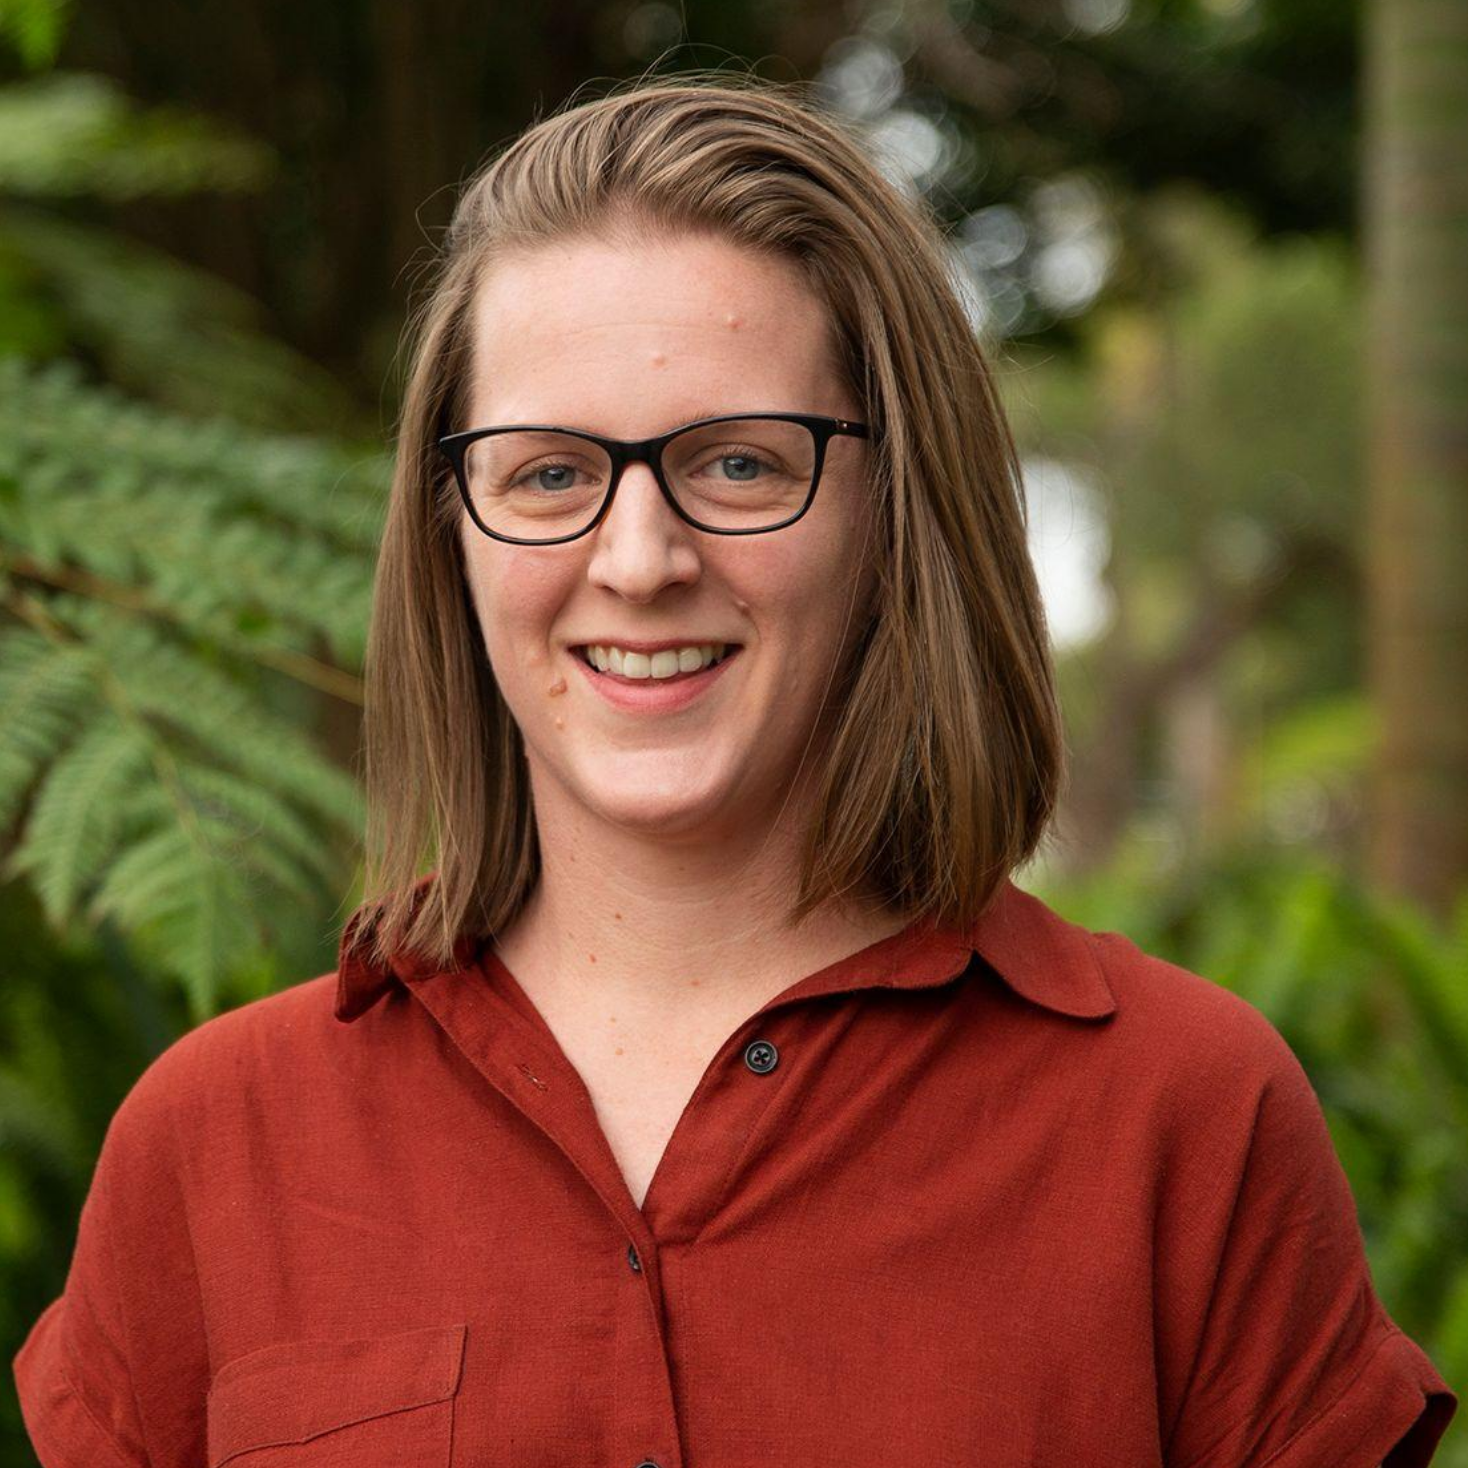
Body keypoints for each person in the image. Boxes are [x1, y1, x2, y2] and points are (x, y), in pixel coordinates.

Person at [12, 72, 1457, 1468]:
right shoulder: (215, 1146)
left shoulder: (1180, 1115)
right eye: (547, 474)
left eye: (742, 464)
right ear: (450, 528)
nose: (639, 562)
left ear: (898, 507)